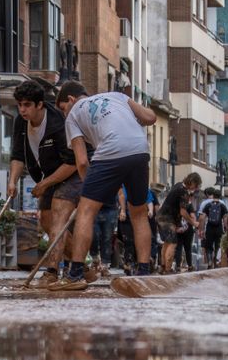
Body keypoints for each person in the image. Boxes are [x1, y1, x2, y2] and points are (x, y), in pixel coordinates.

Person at [50, 81, 157, 291]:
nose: (64, 114)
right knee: (139, 213)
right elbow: (150, 118)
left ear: (71, 100)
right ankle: (143, 272)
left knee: (86, 212)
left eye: (63, 108)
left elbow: (81, 161)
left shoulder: (73, 116)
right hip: (139, 149)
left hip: (110, 150)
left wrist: (89, 187)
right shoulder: (118, 96)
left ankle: (76, 274)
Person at [7, 80, 83, 288]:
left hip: (73, 172)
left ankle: (52, 272)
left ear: (39, 104)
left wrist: (44, 184)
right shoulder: (20, 122)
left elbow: (72, 161)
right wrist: (12, 181)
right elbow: (17, 154)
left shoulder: (59, 122)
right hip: (49, 175)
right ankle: (83, 266)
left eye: (27, 105)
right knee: (49, 224)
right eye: (19, 105)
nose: (22, 110)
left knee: (58, 215)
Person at [156, 172, 202, 273]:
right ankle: (168, 269)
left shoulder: (178, 184)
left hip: (161, 216)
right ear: (192, 182)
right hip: (168, 219)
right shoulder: (184, 192)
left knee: (167, 242)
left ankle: (163, 267)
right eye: (196, 185)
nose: (196, 188)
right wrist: (193, 223)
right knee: (173, 243)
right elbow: (183, 212)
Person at [198, 187, 228, 268]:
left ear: (213, 195)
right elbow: (225, 218)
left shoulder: (207, 205)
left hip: (209, 228)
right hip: (219, 228)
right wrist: (226, 229)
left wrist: (201, 230)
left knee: (208, 246)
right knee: (218, 245)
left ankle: (209, 261)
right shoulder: (222, 205)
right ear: (219, 196)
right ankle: (215, 261)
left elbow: (202, 218)